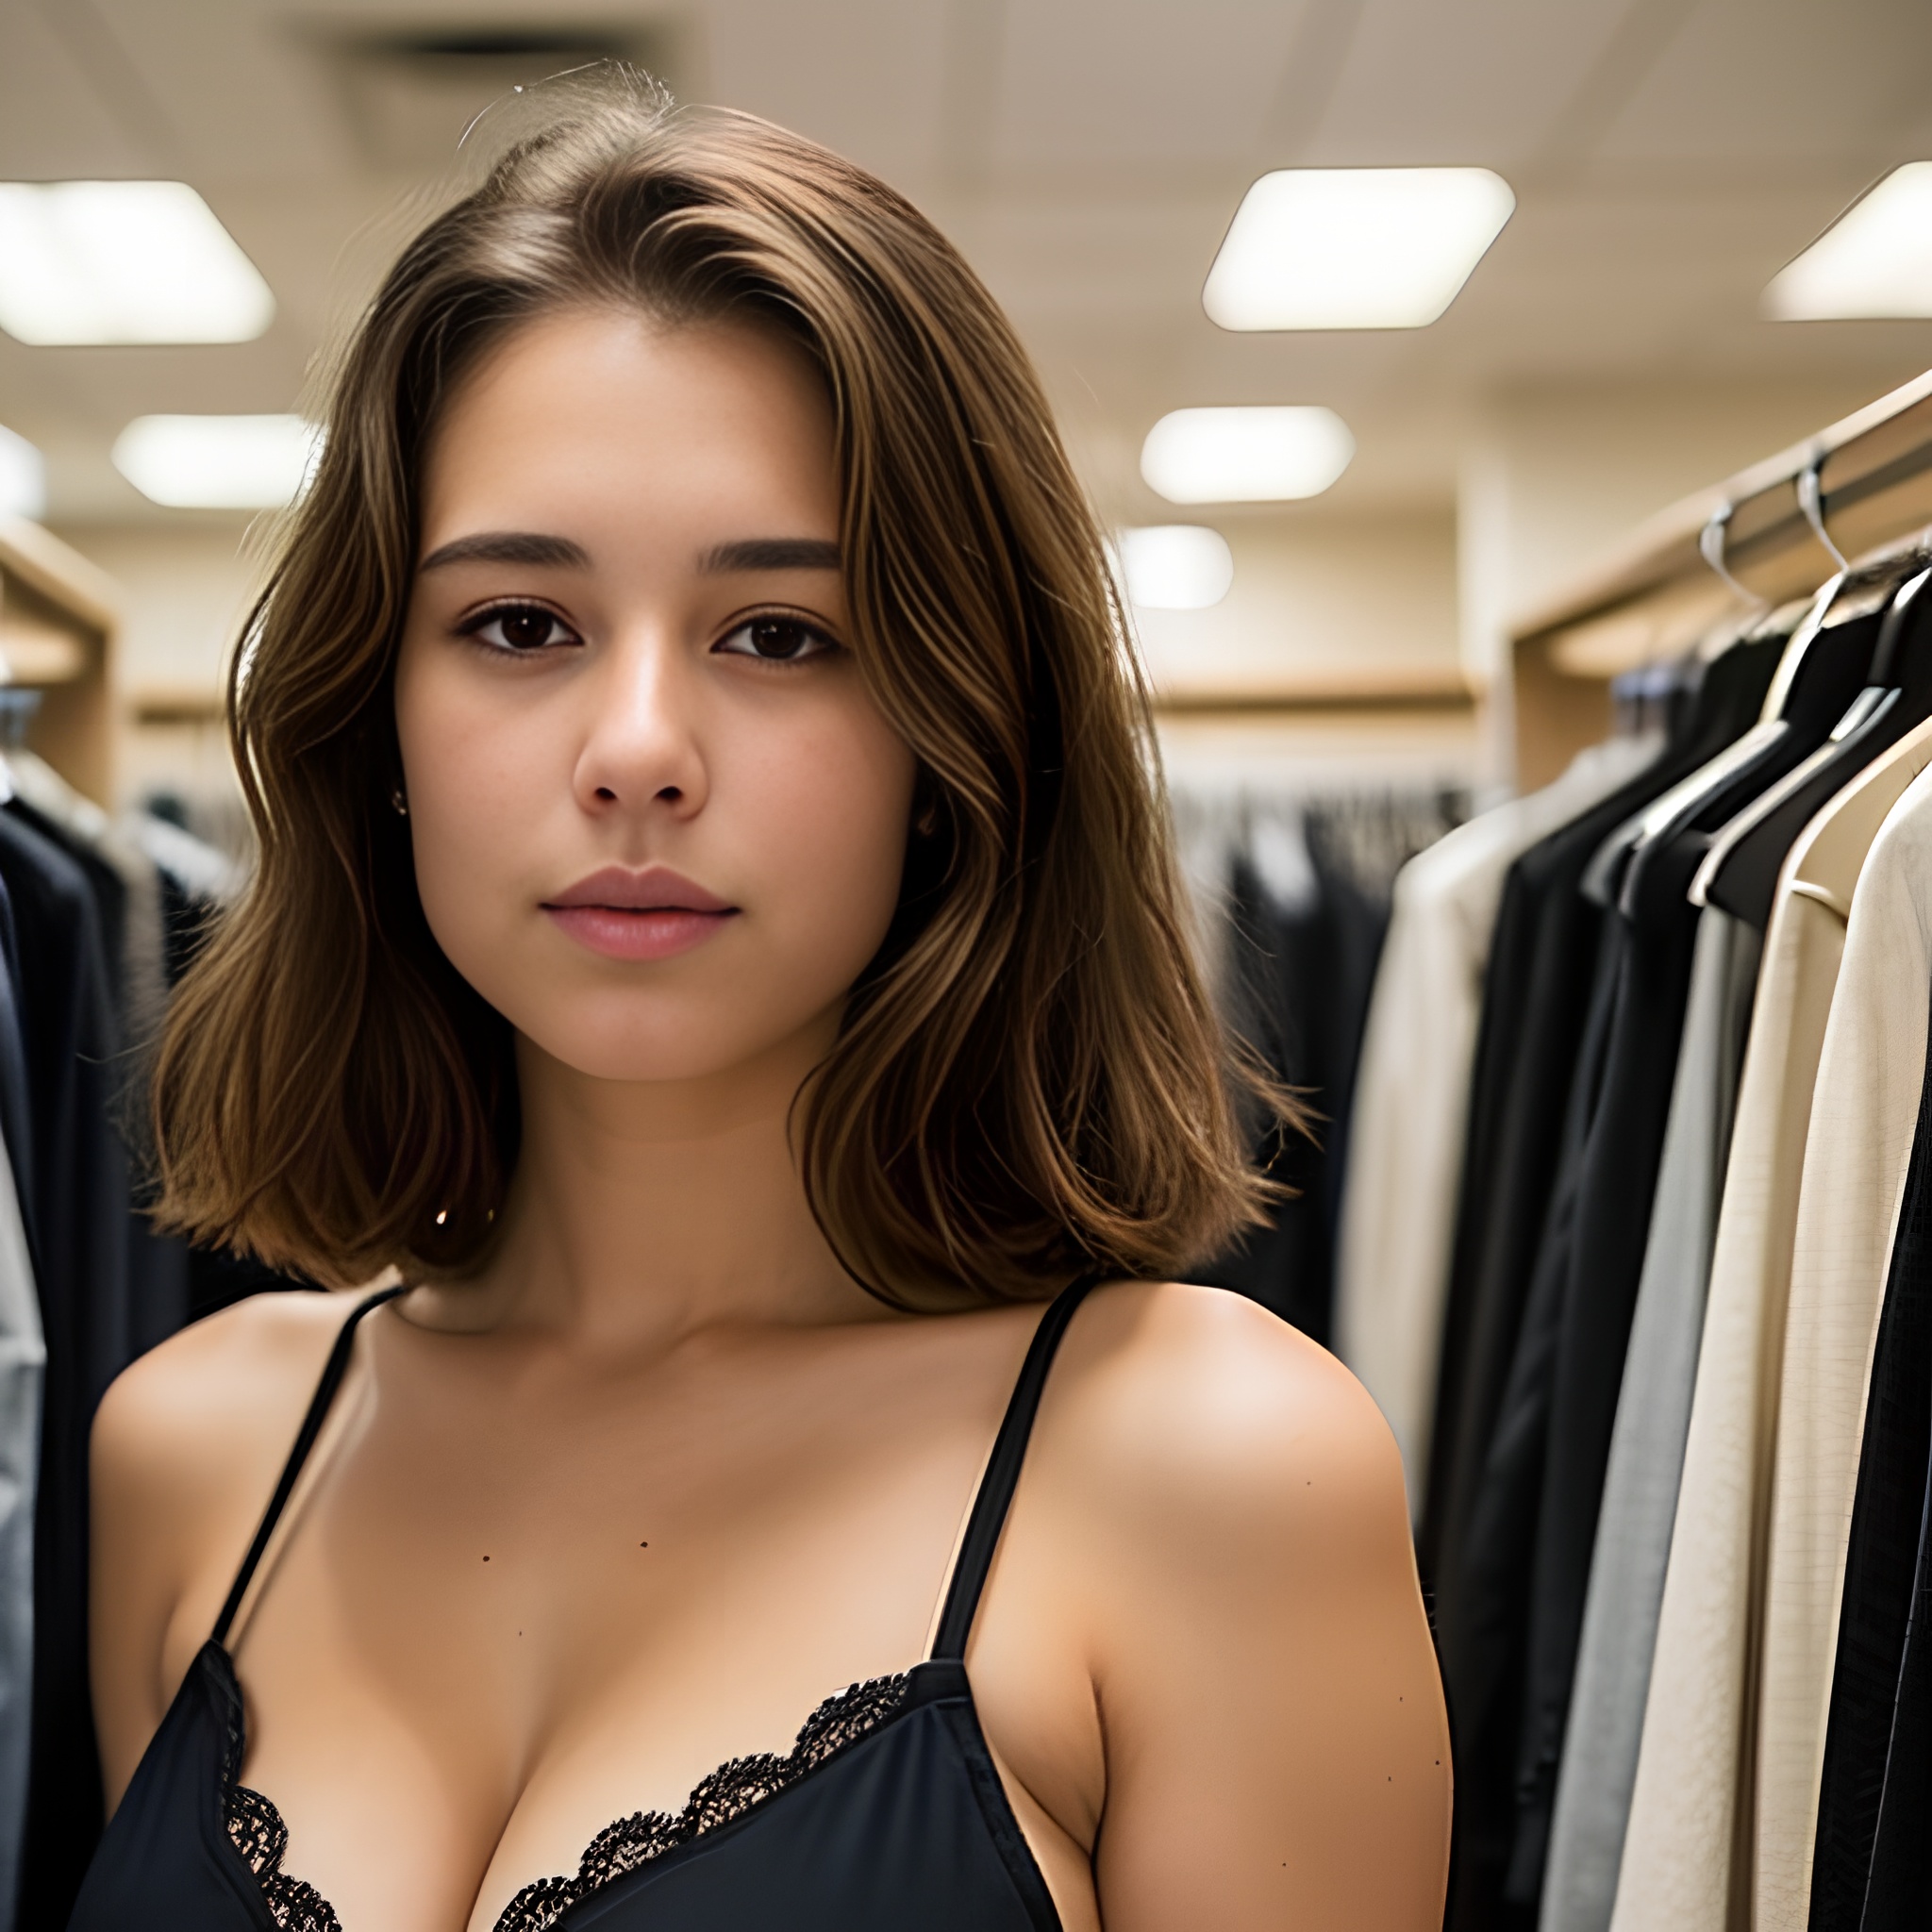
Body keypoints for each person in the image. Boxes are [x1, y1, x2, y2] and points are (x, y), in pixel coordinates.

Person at [66, 78, 1448, 1932]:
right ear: (371, 719)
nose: (637, 749)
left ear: (954, 739)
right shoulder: (192, 1451)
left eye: (781, 634)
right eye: (519, 624)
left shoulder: (1210, 1470)